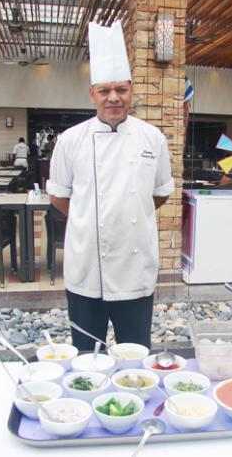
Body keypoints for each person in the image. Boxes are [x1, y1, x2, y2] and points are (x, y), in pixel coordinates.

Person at [46, 21, 174, 351]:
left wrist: (127, 211)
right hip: (87, 268)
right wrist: (91, 217)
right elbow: (59, 196)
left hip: (135, 269)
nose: (113, 98)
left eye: (121, 89)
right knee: (87, 357)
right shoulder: (71, 140)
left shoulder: (153, 138)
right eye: (104, 90)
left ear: (132, 91)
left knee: (136, 356)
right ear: (92, 94)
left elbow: (159, 194)